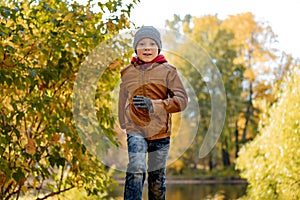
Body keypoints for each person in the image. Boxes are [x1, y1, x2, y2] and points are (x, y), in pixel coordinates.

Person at [118, 26, 188, 200]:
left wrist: (154, 105)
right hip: (136, 129)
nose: (147, 47)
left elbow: (182, 100)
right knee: (136, 167)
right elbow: (122, 99)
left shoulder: (168, 71)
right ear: (136, 48)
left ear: (158, 47)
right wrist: (124, 123)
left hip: (160, 132)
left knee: (157, 180)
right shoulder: (127, 72)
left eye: (151, 43)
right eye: (142, 44)